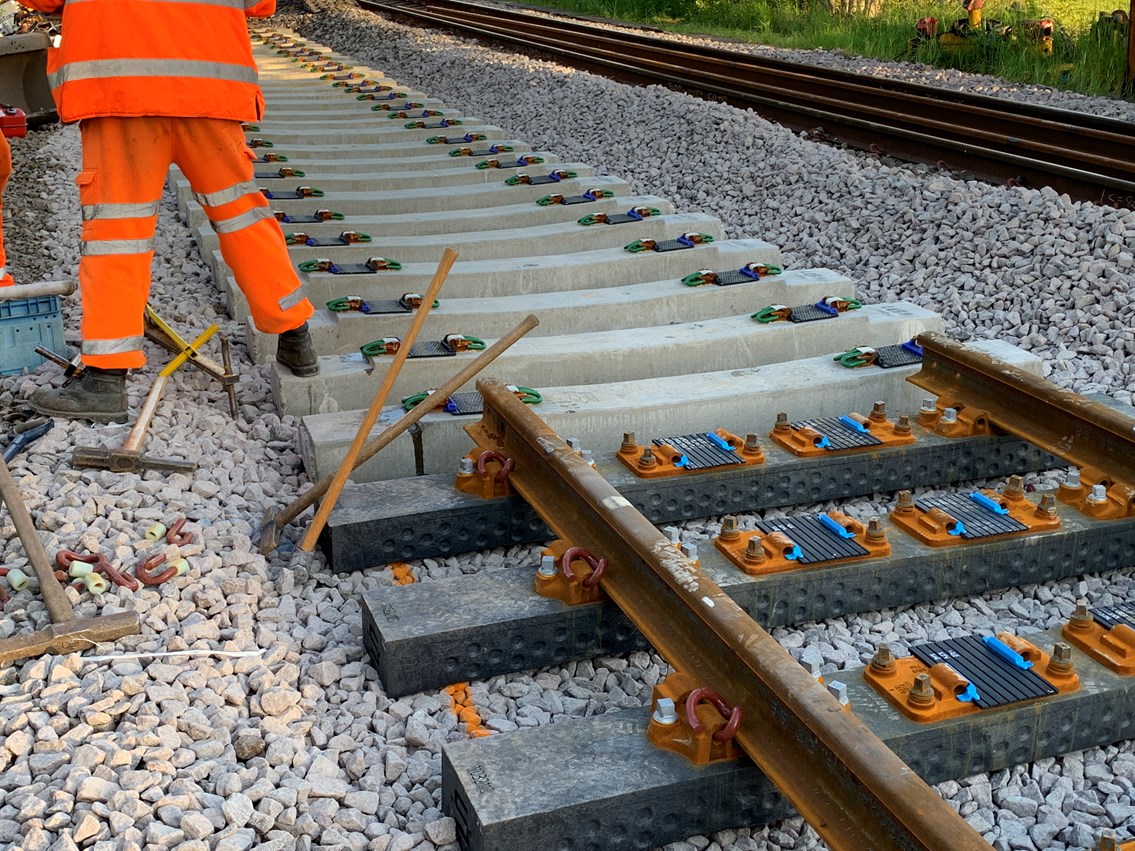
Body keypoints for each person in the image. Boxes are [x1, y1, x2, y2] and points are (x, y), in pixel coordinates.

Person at [23, 0, 318, 425]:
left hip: (121, 93)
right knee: (242, 216)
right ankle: (295, 336)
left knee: (116, 235)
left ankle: (106, 380)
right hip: (210, 91)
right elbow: (260, 4)